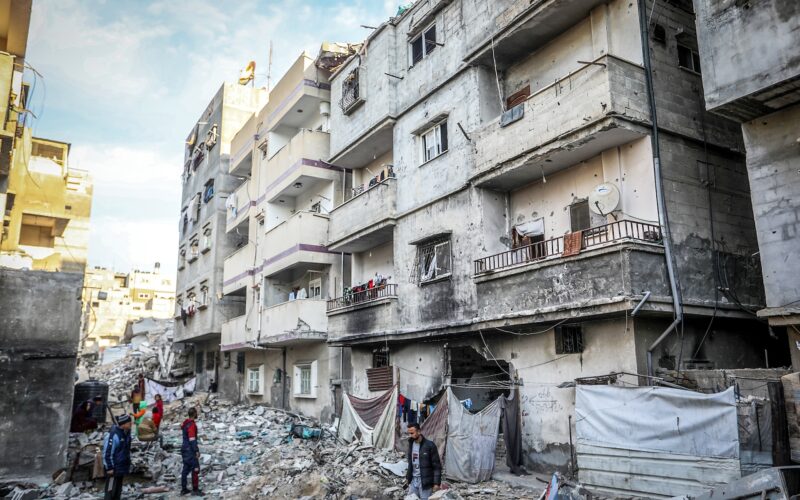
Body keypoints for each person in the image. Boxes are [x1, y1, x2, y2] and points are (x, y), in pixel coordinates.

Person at [405, 422, 441, 500]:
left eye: (412, 433)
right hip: (413, 480)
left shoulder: (430, 445)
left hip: (425, 481)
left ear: (419, 431)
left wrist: (436, 483)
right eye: (409, 433)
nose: (410, 435)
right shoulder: (411, 444)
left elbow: (437, 466)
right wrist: (408, 478)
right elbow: (410, 463)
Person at [102, 414, 132, 500]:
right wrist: (109, 468)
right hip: (113, 469)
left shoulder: (126, 433)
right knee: (110, 489)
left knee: (118, 490)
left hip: (121, 468)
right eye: (129, 423)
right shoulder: (113, 435)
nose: (131, 424)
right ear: (123, 424)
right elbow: (107, 452)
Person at [181, 407, 203, 496]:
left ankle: (184, 489)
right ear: (194, 414)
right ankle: (195, 489)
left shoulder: (185, 423)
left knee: (185, 469)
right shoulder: (191, 425)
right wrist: (196, 450)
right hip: (190, 450)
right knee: (195, 469)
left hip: (184, 449)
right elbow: (192, 439)